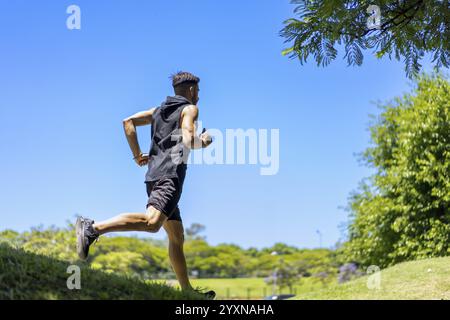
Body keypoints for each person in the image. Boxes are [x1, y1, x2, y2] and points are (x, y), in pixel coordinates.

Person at [75, 71, 215, 299]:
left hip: (154, 176)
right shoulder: (189, 109)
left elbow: (128, 122)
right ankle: (93, 228)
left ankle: (187, 292)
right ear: (191, 90)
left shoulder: (157, 111)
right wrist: (205, 141)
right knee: (152, 223)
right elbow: (190, 140)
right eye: (198, 91)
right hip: (170, 177)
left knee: (177, 237)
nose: (198, 96)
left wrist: (136, 155)